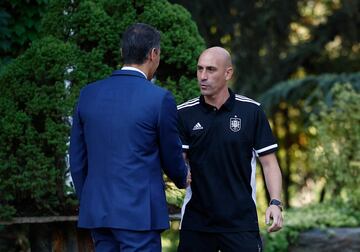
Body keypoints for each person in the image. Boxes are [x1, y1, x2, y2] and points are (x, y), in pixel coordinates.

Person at [69, 23, 190, 252]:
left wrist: (90, 200)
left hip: (98, 212)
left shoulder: (88, 94)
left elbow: (76, 159)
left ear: (122, 52)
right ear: (153, 54)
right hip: (139, 215)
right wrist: (183, 177)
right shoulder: (159, 99)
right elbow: (170, 153)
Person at [177, 47, 283, 252]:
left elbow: (269, 164)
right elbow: (178, 162)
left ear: (228, 73)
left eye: (210, 69)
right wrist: (180, 171)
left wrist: (276, 203)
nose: (203, 76)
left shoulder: (251, 111)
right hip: (197, 223)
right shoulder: (184, 113)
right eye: (199, 69)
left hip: (240, 223)